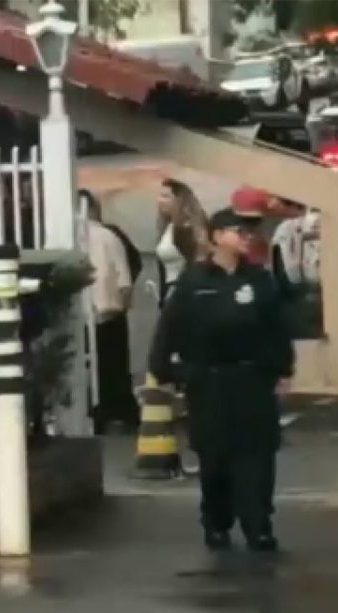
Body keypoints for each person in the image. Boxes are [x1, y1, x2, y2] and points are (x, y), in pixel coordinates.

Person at [149, 208, 294, 552]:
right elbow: (168, 330)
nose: (247, 237)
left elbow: (276, 328)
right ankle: (216, 521)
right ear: (216, 236)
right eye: (238, 231)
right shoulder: (194, 282)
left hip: (252, 380)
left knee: (257, 456)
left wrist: (282, 369)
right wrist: (168, 372)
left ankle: (258, 525)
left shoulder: (260, 280)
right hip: (209, 382)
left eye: (249, 231)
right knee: (215, 457)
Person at [80, 190, 140, 434]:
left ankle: (93, 412)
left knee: (86, 367)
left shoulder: (64, 237)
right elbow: (124, 276)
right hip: (110, 311)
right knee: (114, 366)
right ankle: (119, 412)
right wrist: (124, 305)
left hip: (81, 314)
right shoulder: (109, 235)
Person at [154, 179, 210, 305]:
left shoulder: (189, 227)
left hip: (186, 292)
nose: (159, 201)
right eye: (159, 196)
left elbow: (197, 264)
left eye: (166, 196)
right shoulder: (168, 226)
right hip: (172, 291)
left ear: (179, 200)